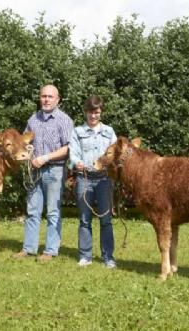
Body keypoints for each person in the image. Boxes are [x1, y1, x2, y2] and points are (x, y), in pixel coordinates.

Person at [12, 84, 74, 262]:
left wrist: (45, 158)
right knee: (33, 210)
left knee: (53, 211)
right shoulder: (33, 119)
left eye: (50, 97)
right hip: (34, 170)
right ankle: (29, 248)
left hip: (54, 170)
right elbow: (25, 141)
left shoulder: (64, 120)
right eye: (43, 96)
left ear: (57, 99)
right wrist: (28, 150)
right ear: (40, 98)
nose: (46, 99)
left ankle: (50, 250)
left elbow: (69, 147)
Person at [68, 95, 117, 268]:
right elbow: (72, 154)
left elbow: (115, 156)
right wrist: (76, 163)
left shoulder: (110, 132)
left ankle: (108, 257)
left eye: (96, 112)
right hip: (84, 179)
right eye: (90, 112)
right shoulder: (77, 132)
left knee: (106, 220)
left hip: (105, 180)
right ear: (85, 112)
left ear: (101, 112)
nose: (93, 116)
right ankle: (85, 256)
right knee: (84, 219)